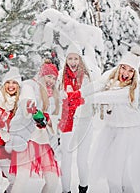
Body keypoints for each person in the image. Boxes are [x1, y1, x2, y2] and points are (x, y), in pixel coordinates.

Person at [82, 51, 140, 193]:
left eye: (131, 71)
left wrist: (83, 100)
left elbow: (108, 96)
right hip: (112, 130)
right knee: (122, 173)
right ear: (119, 67)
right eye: (124, 68)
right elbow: (97, 85)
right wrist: (78, 94)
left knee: (114, 171)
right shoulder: (112, 78)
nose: (126, 73)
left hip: (127, 132)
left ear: (134, 74)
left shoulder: (130, 90)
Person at [6, 60, 60, 193]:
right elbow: (26, 100)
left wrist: (48, 120)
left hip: (43, 142)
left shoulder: (54, 96)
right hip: (27, 139)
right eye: (49, 76)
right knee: (22, 179)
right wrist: (32, 108)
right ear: (42, 75)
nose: (51, 81)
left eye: (54, 78)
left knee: (53, 181)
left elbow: (54, 120)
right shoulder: (31, 85)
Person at [57, 43, 96, 193]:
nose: (73, 62)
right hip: (67, 123)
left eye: (76, 58)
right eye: (70, 58)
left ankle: (83, 188)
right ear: (66, 60)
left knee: (82, 159)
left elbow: (87, 98)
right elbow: (58, 98)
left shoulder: (86, 77)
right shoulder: (61, 77)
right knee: (66, 159)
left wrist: (72, 98)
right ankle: (65, 190)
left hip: (84, 122)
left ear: (80, 60)